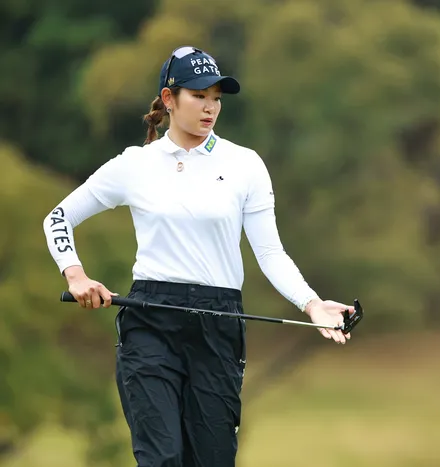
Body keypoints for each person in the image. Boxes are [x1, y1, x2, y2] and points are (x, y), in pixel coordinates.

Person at [42, 45, 354, 467]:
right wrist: (76, 275)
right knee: (161, 458)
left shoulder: (245, 165)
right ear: (169, 99)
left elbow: (269, 252)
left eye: (216, 98)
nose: (210, 108)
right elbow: (58, 218)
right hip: (150, 320)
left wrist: (311, 304)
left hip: (218, 324)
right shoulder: (135, 164)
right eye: (199, 96)